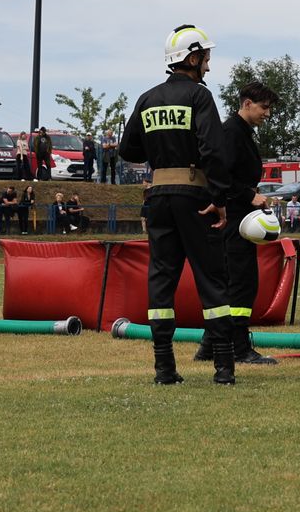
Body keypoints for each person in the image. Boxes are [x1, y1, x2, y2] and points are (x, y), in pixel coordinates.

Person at [118, 23, 239, 386]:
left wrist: (160, 149)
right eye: (206, 57)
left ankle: (164, 369)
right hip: (196, 197)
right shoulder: (199, 97)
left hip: (158, 198)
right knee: (211, 279)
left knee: (161, 279)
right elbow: (213, 151)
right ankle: (223, 368)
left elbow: (128, 149)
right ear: (192, 57)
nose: (208, 65)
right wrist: (219, 198)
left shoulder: (147, 99)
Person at [213, 79, 280, 367]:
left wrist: (252, 194)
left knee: (232, 281)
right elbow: (220, 175)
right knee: (241, 283)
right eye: (264, 108)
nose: (268, 113)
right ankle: (239, 348)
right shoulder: (231, 133)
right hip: (234, 217)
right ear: (246, 103)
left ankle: (210, 345)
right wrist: (247, 195)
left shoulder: (241, 131)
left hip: (239, 213)